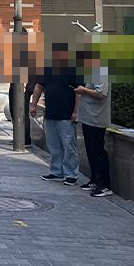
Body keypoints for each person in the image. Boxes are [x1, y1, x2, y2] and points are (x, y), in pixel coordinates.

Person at [30, 44, 83, 186]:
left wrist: (76, 111)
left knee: (69, 146)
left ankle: (71, 174)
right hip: (50, 114)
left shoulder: (74, 70)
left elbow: (79, 92)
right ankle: (56, 171)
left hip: (66, 114)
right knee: (53, 145)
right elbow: (39, 86)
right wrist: (33, 104)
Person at [75, 48, 113, 197]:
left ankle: (104, 185)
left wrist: (83, 90)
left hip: (96, 118)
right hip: (88, 117)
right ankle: (95, 180)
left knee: (98, 151)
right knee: (91, 150)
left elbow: (101, 93)